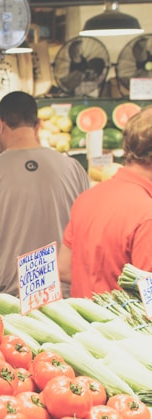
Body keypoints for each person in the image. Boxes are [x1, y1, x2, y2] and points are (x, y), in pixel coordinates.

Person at [0, 91, 89, 298]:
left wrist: (5, 270)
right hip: (66, 301)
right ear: (38, 124)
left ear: (0, 124)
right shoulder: (74, 169)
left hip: (10, 303)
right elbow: (87, 235)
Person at [59, 106, 152, 298]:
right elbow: (148, 297)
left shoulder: (87, 198)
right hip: (127, 327)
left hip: (83, 324)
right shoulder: (147, 214)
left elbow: (64, 268)